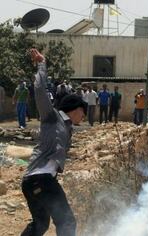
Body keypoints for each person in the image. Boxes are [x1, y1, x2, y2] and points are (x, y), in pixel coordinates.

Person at [21, 48, 87, 236]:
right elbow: (40, 90)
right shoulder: (52, 117)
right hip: (39, 178)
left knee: (41, 224)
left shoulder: (67, 128)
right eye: (83, 112)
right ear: (75, 109)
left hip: (33, 182)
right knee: (67, 221)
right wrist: (42, 64)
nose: (83, 117)